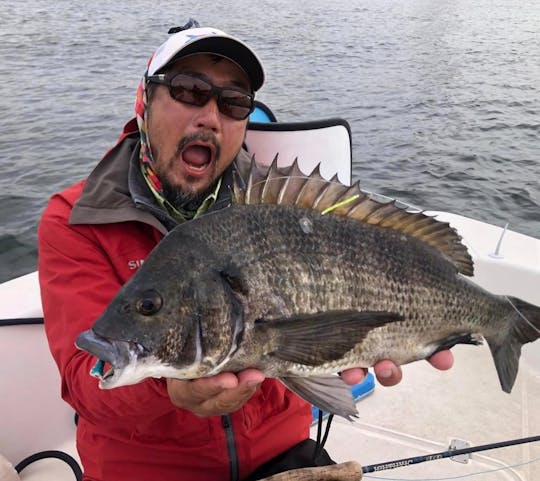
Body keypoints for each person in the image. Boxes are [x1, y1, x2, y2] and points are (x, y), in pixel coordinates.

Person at [37, 23, 453, 481]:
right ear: (145, 100)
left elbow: (360, 252)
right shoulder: (77, 219)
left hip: (283, 453)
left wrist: (407, 322)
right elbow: (85, 379)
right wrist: (169, 392)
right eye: (189, 89)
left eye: (234, 102)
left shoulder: (280, 203)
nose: (211, 117)